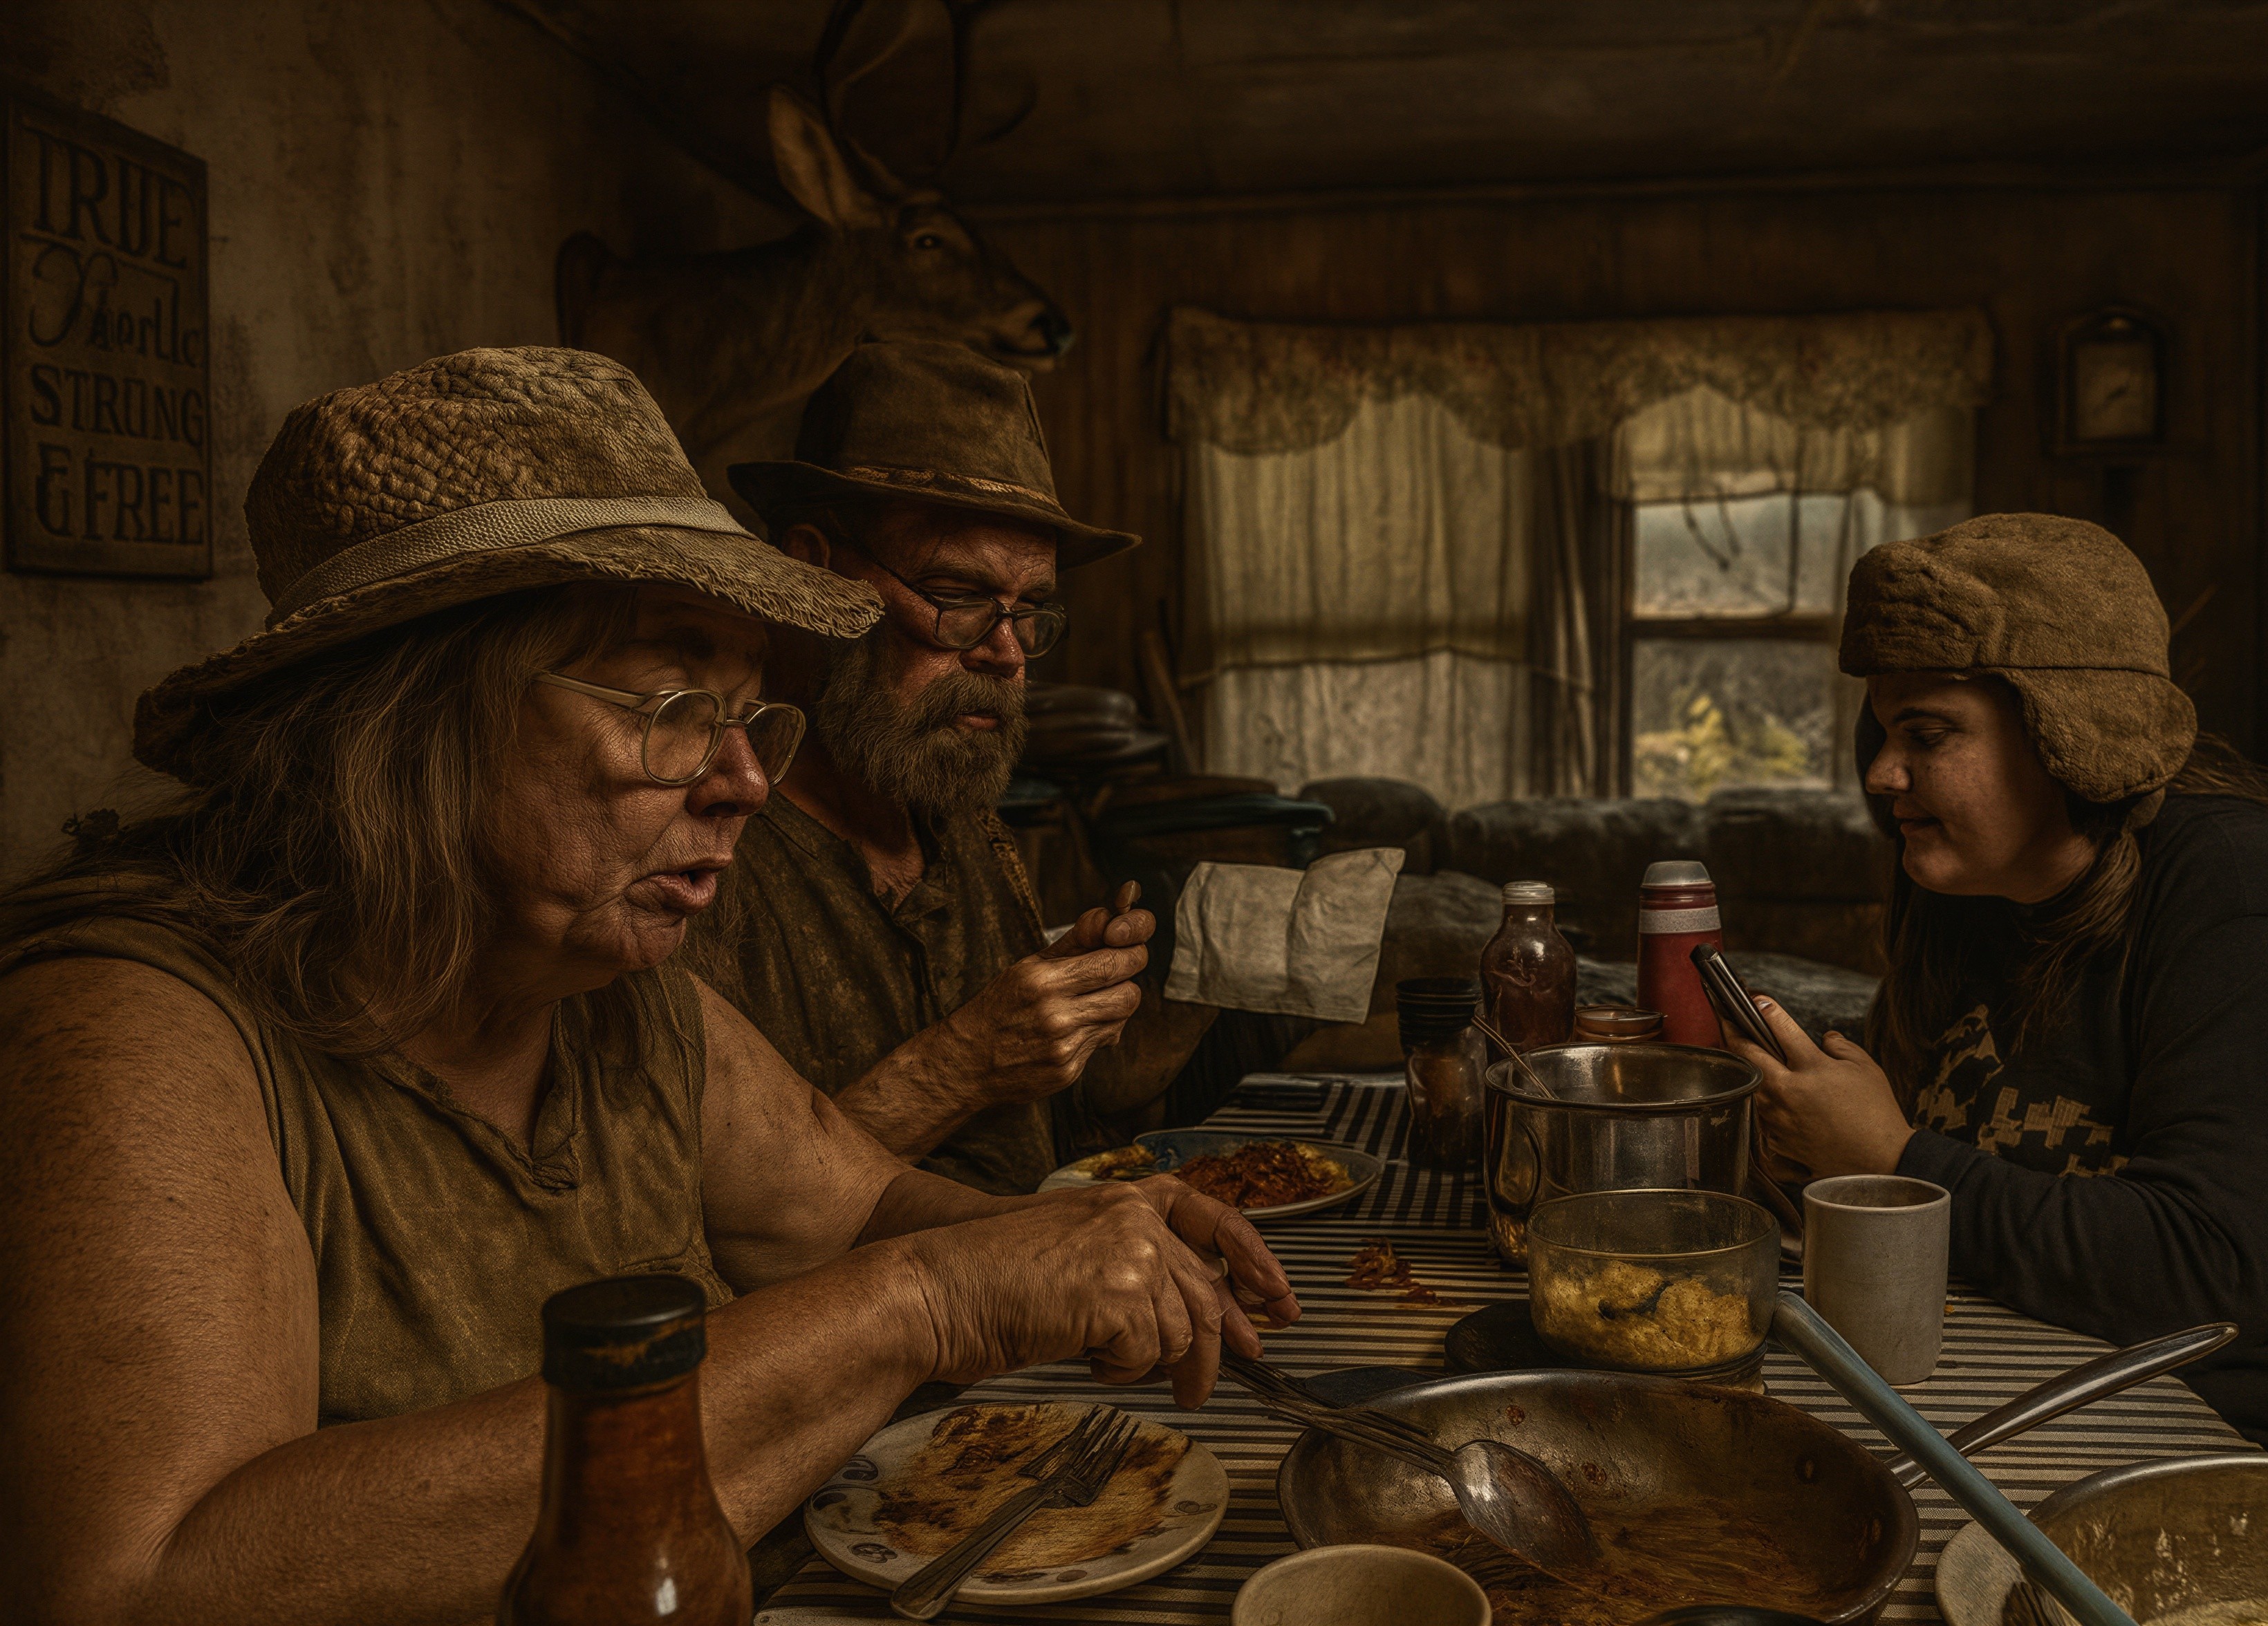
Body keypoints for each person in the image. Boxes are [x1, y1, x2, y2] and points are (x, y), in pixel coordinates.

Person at [0, 348, 1299, 1625]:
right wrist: (936, 1299)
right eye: (672, 703)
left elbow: (852, 1211)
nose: (745, 782)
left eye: (749, 716)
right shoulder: (133, 1026)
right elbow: (138, 1582)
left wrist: (1076, 1240)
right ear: (414, 719)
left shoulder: (608, 990)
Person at [1727, 513, 2268, 1475]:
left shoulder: (2249, 909)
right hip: (2041, 1381)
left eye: (1927, 735)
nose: (1883, 774)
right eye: (1883, 732)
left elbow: (2206, 1274)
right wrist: (1801, 1134)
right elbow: (1957, 1133)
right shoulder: (1971, 879)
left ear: (2069, 737)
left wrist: (1894, 1158)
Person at [711, 339, 1218, 1194]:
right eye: (957, 597)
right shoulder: (700, 848)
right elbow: (724, 1224)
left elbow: (1043, 1137)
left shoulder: (960, 823)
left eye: (1031, 612)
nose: (1007, 653)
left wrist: (1076, 1011)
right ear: (811, 569)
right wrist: (963, 1065)